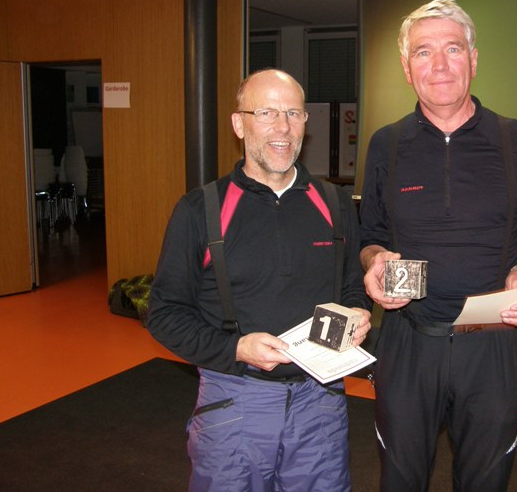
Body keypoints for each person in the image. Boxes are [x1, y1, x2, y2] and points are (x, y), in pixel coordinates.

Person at [358, 0, 517, 491]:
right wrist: (375, 261)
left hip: (490, 341)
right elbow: (370, 236)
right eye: (423, 52)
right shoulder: (386, 143)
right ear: (407, 68)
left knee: (485, 481)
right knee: (400, 480)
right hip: (409, 341)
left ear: (473, 59)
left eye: (452, 48)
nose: (439, 64)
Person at [147, 69, 372, 491]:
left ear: (305, 122)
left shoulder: (335, 204)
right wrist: (235, 348)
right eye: (266, 112)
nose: (282, 127)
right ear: (239, 123)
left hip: (320, 404)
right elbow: (164, 314)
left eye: (293, 113)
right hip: (234, 401)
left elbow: (351, 286)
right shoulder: (200, 210)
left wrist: (358, 312)